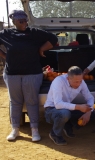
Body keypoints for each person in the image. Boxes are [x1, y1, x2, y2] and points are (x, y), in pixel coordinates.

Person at [0, 10, 58, 142]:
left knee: (32, 101)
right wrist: (5, 56)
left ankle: (35, 129)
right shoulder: (6, 34)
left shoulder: (34, 33)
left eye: (26, 20)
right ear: (13, 21)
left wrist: (41, 49)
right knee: (15, 102)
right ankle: (15, 129)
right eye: (21, 21)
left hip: (32, 73)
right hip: (12, 74)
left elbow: (53, 39)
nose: (24, 23)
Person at [44, 66, 95, 146]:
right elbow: (58, 104)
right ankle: (55, 134)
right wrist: (79, 107)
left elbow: (90, 97)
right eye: (76, 82)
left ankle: (67, 125)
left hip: (67, 109)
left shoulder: (80, 81)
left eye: (80, 81)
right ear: (68, 78)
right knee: (64, 113)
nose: (78, 84)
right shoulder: (58, 81)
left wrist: (89, 111)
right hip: (51, 109)